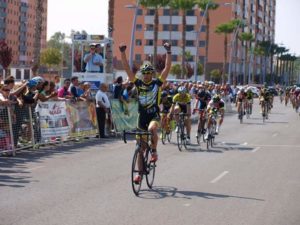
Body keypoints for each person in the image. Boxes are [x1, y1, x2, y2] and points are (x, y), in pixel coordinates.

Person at [119, 42, 171, 184]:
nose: (147, 76)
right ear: (142, 74)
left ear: (152, 74)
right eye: (145, 73)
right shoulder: (138, 83)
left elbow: (167, 68)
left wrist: (169, 52)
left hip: (153, 115)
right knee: (140, 149)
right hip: (141, 117)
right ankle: (140, 175)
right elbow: (127, 69)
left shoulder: (157, 83)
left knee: (152, 129)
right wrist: (123, 53)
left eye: (149, 73)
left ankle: (154, 151)